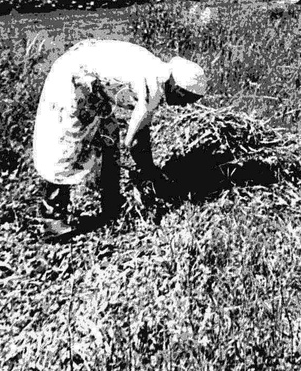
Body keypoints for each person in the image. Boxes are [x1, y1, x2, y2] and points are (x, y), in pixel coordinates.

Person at [32, 39, 206, 242]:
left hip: (91, 83)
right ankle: (51, 218)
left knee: (109, 136)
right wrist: (150, 174)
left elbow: (139, 133)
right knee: (67, 145)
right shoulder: (153, 84)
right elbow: (135, 142)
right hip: (73, 78)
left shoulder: (157, 71)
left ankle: (111, 201)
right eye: (186, 99)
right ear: (178, 87)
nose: (183, 107)